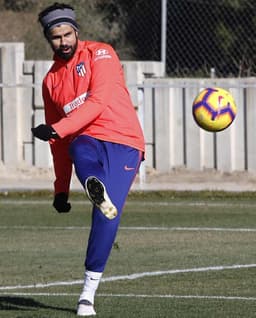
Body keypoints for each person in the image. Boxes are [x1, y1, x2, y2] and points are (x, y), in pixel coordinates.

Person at [32, 2, 145, 317]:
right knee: (77, 147)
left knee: (107, 216)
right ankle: (93, 185)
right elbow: (60, 142)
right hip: (86, 140)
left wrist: (56, 128)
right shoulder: (51, 82)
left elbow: (98, 101)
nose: (64, 41)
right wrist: (60, 189)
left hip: (124, 141)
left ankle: (87, 293)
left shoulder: (101, 53)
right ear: (48, 38)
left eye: (68, 34)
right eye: (56, 37)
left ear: (76, 31)